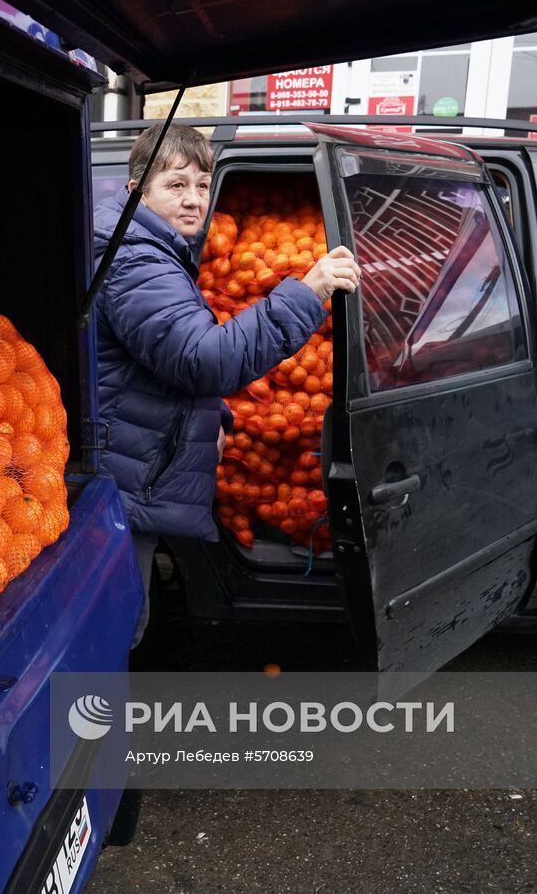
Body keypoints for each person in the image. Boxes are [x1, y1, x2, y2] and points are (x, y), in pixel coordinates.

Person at [93, 123, 360, 646]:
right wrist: (309, 291)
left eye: (202, 184)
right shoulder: (137, 261)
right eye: (176, 185)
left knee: (124, 616)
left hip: (134, 465)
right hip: (125, 479)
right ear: (135, 190)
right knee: (118, 626)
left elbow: (162, 364)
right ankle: (91, 726)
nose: (194, 199)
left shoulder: (152, 249)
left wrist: (212, 417)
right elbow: (204, 359)